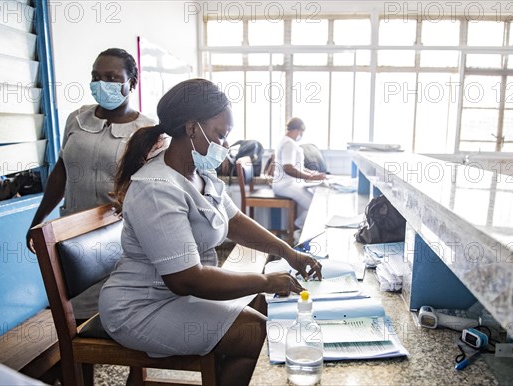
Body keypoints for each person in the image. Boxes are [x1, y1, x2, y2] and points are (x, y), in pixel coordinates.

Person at [98, 79, 322, 386]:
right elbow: (185, 279)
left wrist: (288, 252)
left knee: (261, 306)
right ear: (191, 128)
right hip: (140, 307)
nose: (226, 145)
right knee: (256, 331)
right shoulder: (157, 189)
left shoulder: (200, 173)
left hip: (177, 296)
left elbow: (235, 221)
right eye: (220, 134)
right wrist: (266, 280)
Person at [25, 48, 155, 320]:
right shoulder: (77, 118)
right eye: (96, 77)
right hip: (71, 232)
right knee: (74, 311)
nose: (101, 84)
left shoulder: (146, 131)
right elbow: (61, 173)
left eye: (111, 77)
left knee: (115, 310)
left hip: (117, 236)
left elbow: (151, 188)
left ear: (131, 83)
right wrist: (38, 221)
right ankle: (78, 361)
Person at [271, 118, 326, 235]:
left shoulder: (289, 142)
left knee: (315, 202)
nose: (301, 135)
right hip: (285, 184)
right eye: (301, 132)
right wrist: (311, 177)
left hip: (290, 183)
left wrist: (314, 174)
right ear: (297, 130)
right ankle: (295, 228)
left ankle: (298, 229)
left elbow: (298, 167)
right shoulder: (288, 144)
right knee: (314, 206)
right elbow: (288, 168)